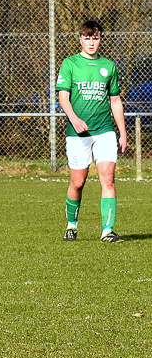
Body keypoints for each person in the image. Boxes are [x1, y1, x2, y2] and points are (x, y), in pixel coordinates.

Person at [57, 19, 127, 242]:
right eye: (87, 38)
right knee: (78, 183)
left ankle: (108, 230)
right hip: (78, 134)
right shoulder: (70, 64)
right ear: (80, 39)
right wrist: (74, 119)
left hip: (104, 130)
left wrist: (123, 132)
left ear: (100, 40)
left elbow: (115, 101)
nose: (91, 42)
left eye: (95, 38)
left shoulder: (109, 66)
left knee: (108, 178)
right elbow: (63, 97)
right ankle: (72, 225)